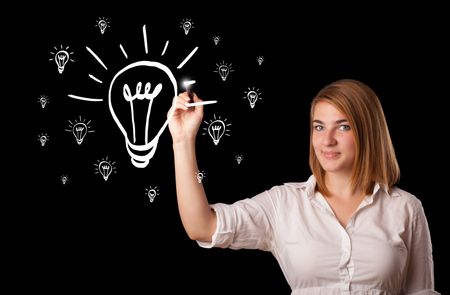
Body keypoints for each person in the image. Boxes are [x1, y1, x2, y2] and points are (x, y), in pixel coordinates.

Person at [168, 79, 439, 294]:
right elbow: (201, 226)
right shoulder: (283, 203)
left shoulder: (406, 208)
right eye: (319, 127)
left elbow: (421, 292)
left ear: (368, 132)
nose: (327, 140)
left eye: (343, 127)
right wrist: (183, 140)